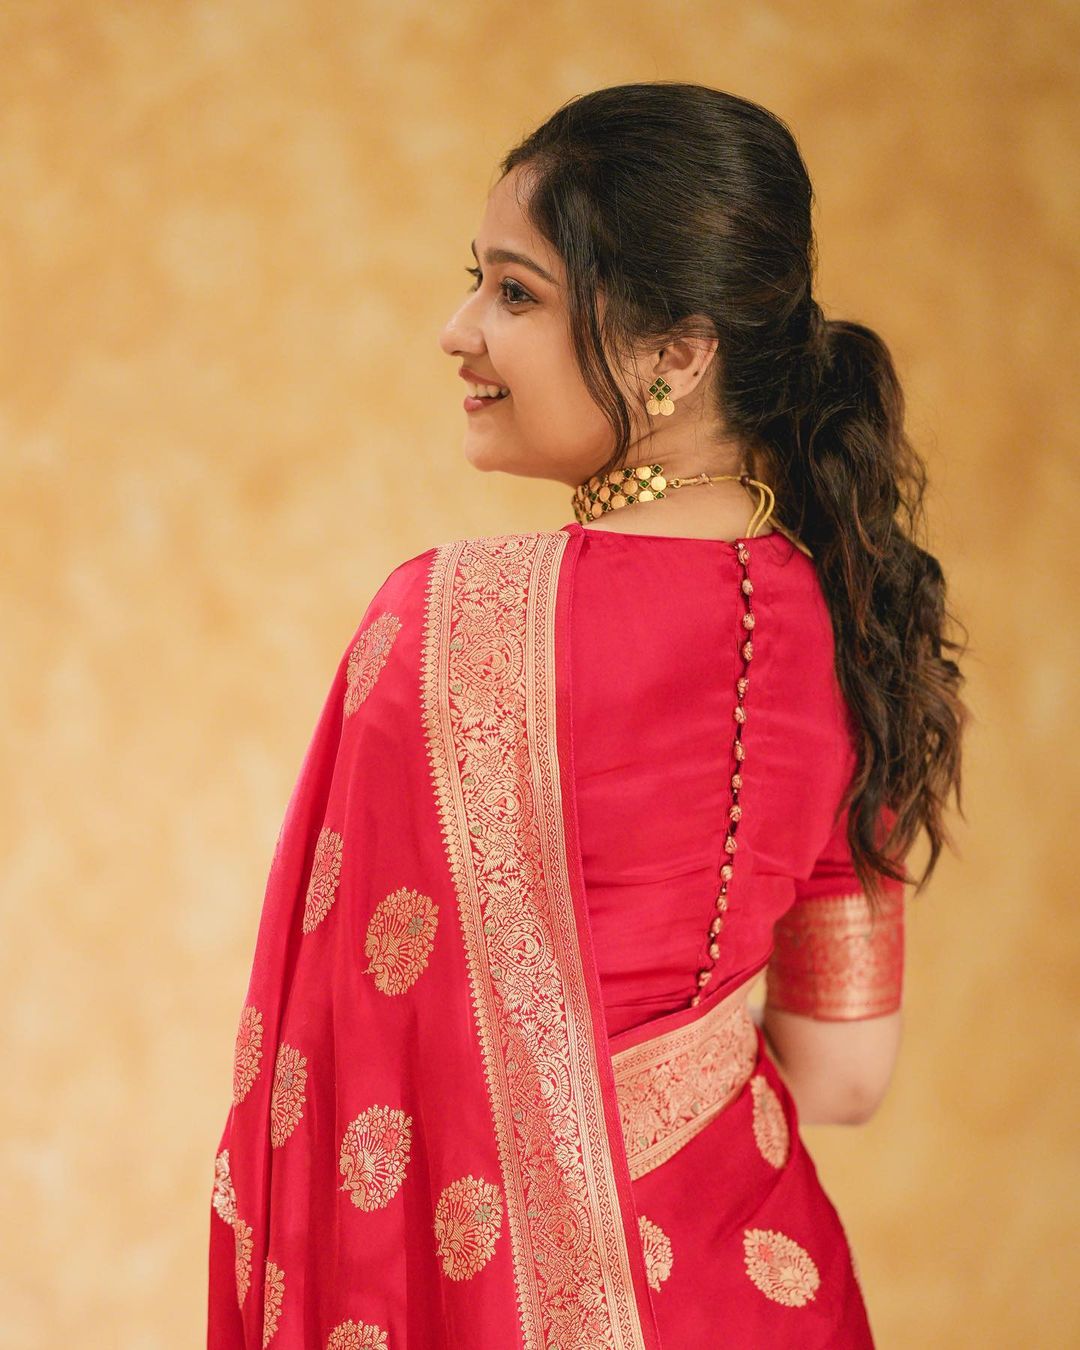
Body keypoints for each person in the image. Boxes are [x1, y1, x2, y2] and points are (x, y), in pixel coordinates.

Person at [207, 82, 967, 1348]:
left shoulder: (447, 619)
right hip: (773, 1300)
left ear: (678, 351)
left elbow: (340, 1087)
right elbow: (844, 1076)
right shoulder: (854, 621)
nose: (460, 329)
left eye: (516, 292)